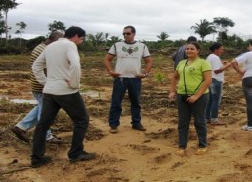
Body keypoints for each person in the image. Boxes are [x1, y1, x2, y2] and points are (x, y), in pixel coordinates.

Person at [31, 26, 96, 168]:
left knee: (43, 124)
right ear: (76, 36)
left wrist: (46, 82)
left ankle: (36, 158)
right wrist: (74, 84)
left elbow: (36, 66)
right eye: (82, 39)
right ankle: (76, 153)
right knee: (82, 120)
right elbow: (76, 65)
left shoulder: (50, 46)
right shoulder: (70, 45)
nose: (81, 42)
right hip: (66, 91)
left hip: (49, 91)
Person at [11, 31, 64, 144]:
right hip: (42, 86)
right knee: (44, 112)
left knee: (40, 108)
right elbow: (45, 69)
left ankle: (20, 127)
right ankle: (46, 136)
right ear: (54, 41)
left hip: (38, 85)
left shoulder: (40, 47)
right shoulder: (44, 50)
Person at [105, 25, 153, 133]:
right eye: (124, 33)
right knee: (116, 102)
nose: (125, 35)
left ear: (134, 34)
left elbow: (149, 61)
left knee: (136, 102)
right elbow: (107, 59)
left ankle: (136, 123)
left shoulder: (142, 46)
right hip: (120, 78)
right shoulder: (117, 45)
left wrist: (145, 73)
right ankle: (113, 125)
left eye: (128, 33)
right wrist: (110, 71)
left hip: (135, 78)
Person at [169, 41, 212, 155]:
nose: (189, 51)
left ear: (198, 51)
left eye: (192, 49)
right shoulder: (182, 63)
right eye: (187, 49)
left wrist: (196, 96)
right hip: (182, 95)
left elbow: (208, 80)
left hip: (200, 97)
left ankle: (203, 144)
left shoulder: (203, 63)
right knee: (183, 122)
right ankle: (182, 146)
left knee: (199, 121)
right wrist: (172, 91)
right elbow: (174, 77)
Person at [205, 43, 231, 125]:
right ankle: (214, 119)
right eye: (221, 49)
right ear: (216, 49)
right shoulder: (215, 58)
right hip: (216, 80)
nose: (222, 51)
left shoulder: (210, 57)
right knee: (215, 100)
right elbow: (216, 71)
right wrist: (227, 65)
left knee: (210, 100)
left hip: (210, 80)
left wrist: (222, 64)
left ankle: (207, 118)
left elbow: (213, 68)